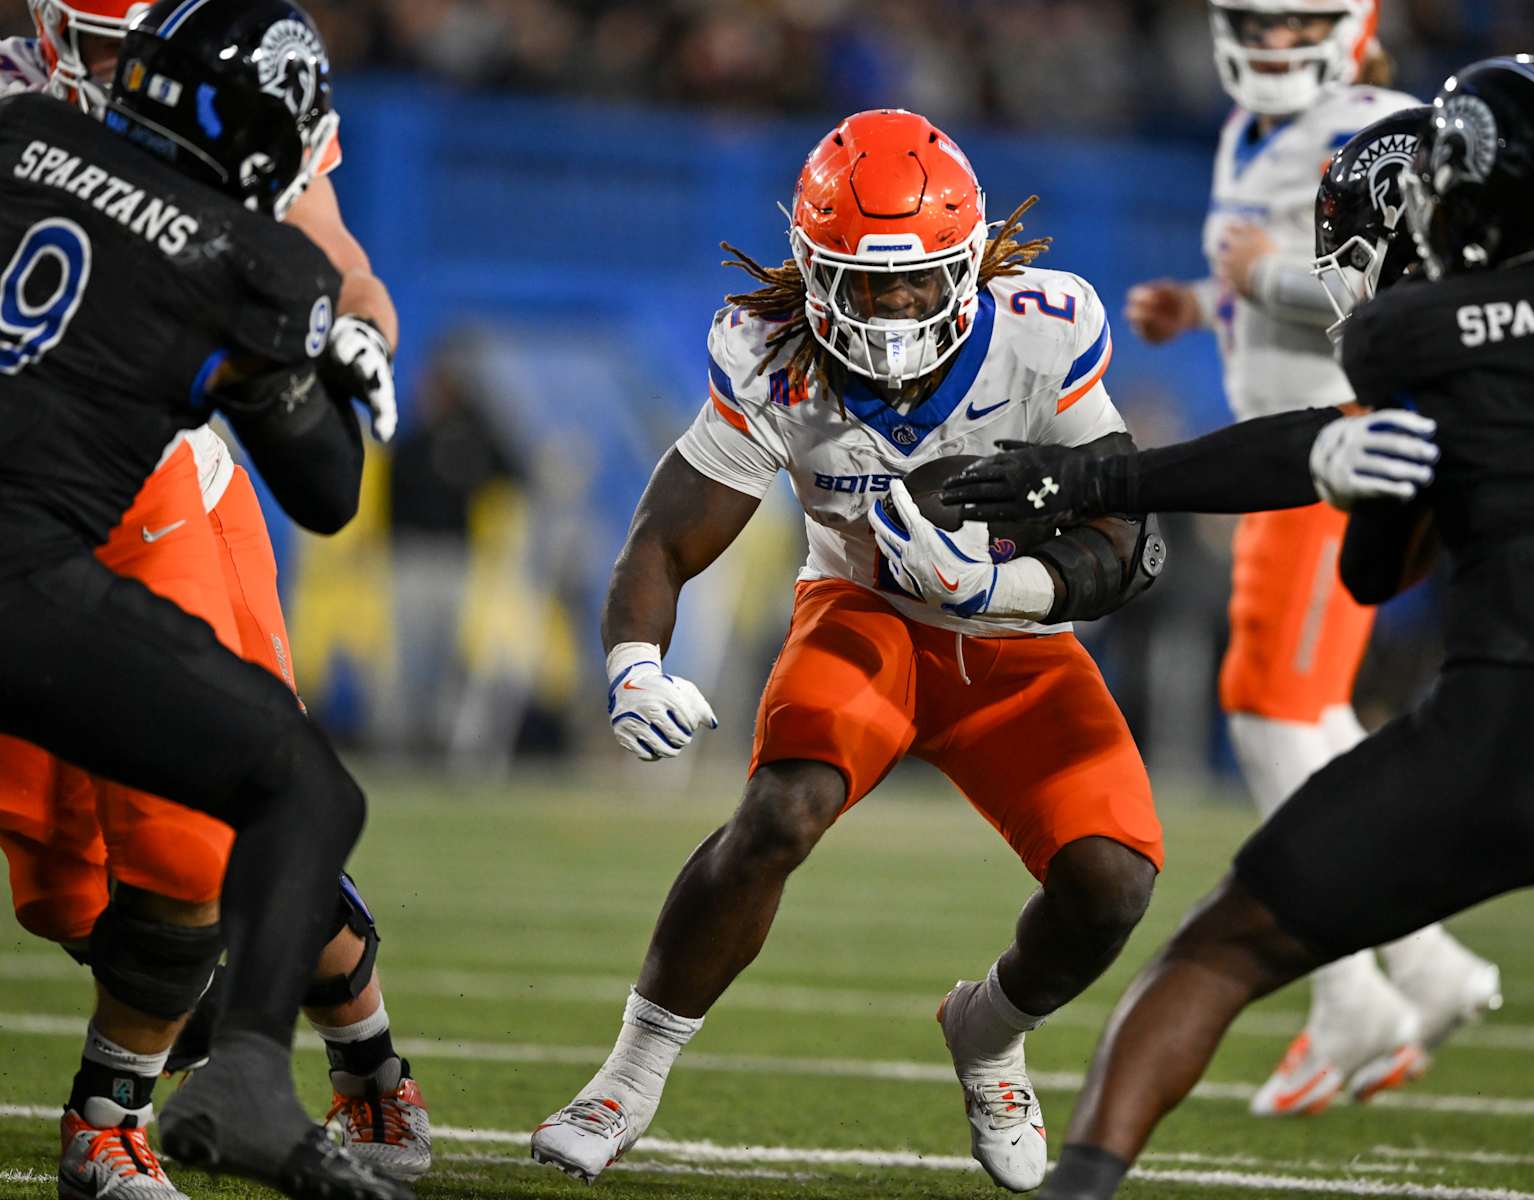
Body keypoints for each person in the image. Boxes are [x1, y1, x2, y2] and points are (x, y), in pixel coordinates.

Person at [956, 56, 1534, 1200]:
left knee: (1216, 953)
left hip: (1499, 736)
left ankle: (1082, 1185)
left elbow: (1362, 560)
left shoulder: (1425, 336)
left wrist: (1099, 478)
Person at [528, 106, 1185, 1194]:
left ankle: (988, 1031)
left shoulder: (1044, 328)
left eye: (918, 280)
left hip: (1018, 640)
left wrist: (996, 586)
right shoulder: (771, 352)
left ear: (971, 264)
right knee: (779, 810)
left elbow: (1128, 537)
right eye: (865, 282)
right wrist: (633, 660)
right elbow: (666, 536)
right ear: (813, 268)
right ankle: (627, 1079)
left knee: (1113, 882)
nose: (890, 308)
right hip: (865, 618)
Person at [0, 0, 431, 1190]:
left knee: (195, 845)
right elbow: (331, 486)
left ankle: (150, 1103)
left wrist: (346, 325)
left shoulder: (39, 125)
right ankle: (237, 1069)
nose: (103, 68)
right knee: (79, 886)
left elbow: (349, 271)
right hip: (41, 542)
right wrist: (306, 355)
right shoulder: (234, 239)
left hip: (146, 503)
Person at [1124, 0, 1498, 1115]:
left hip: (1339, 444)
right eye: (1261, 23)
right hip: (1294, 446)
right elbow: (1276, 277)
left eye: (1301, 25)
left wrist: (1260, 277)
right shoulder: (1249, 129)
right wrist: (1201, 302)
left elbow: (1413, 280)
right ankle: (1420, 967)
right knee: (1304, 717)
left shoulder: (1387, 120)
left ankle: (1358, 992)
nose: (1277, 44)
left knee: (1272, 711)